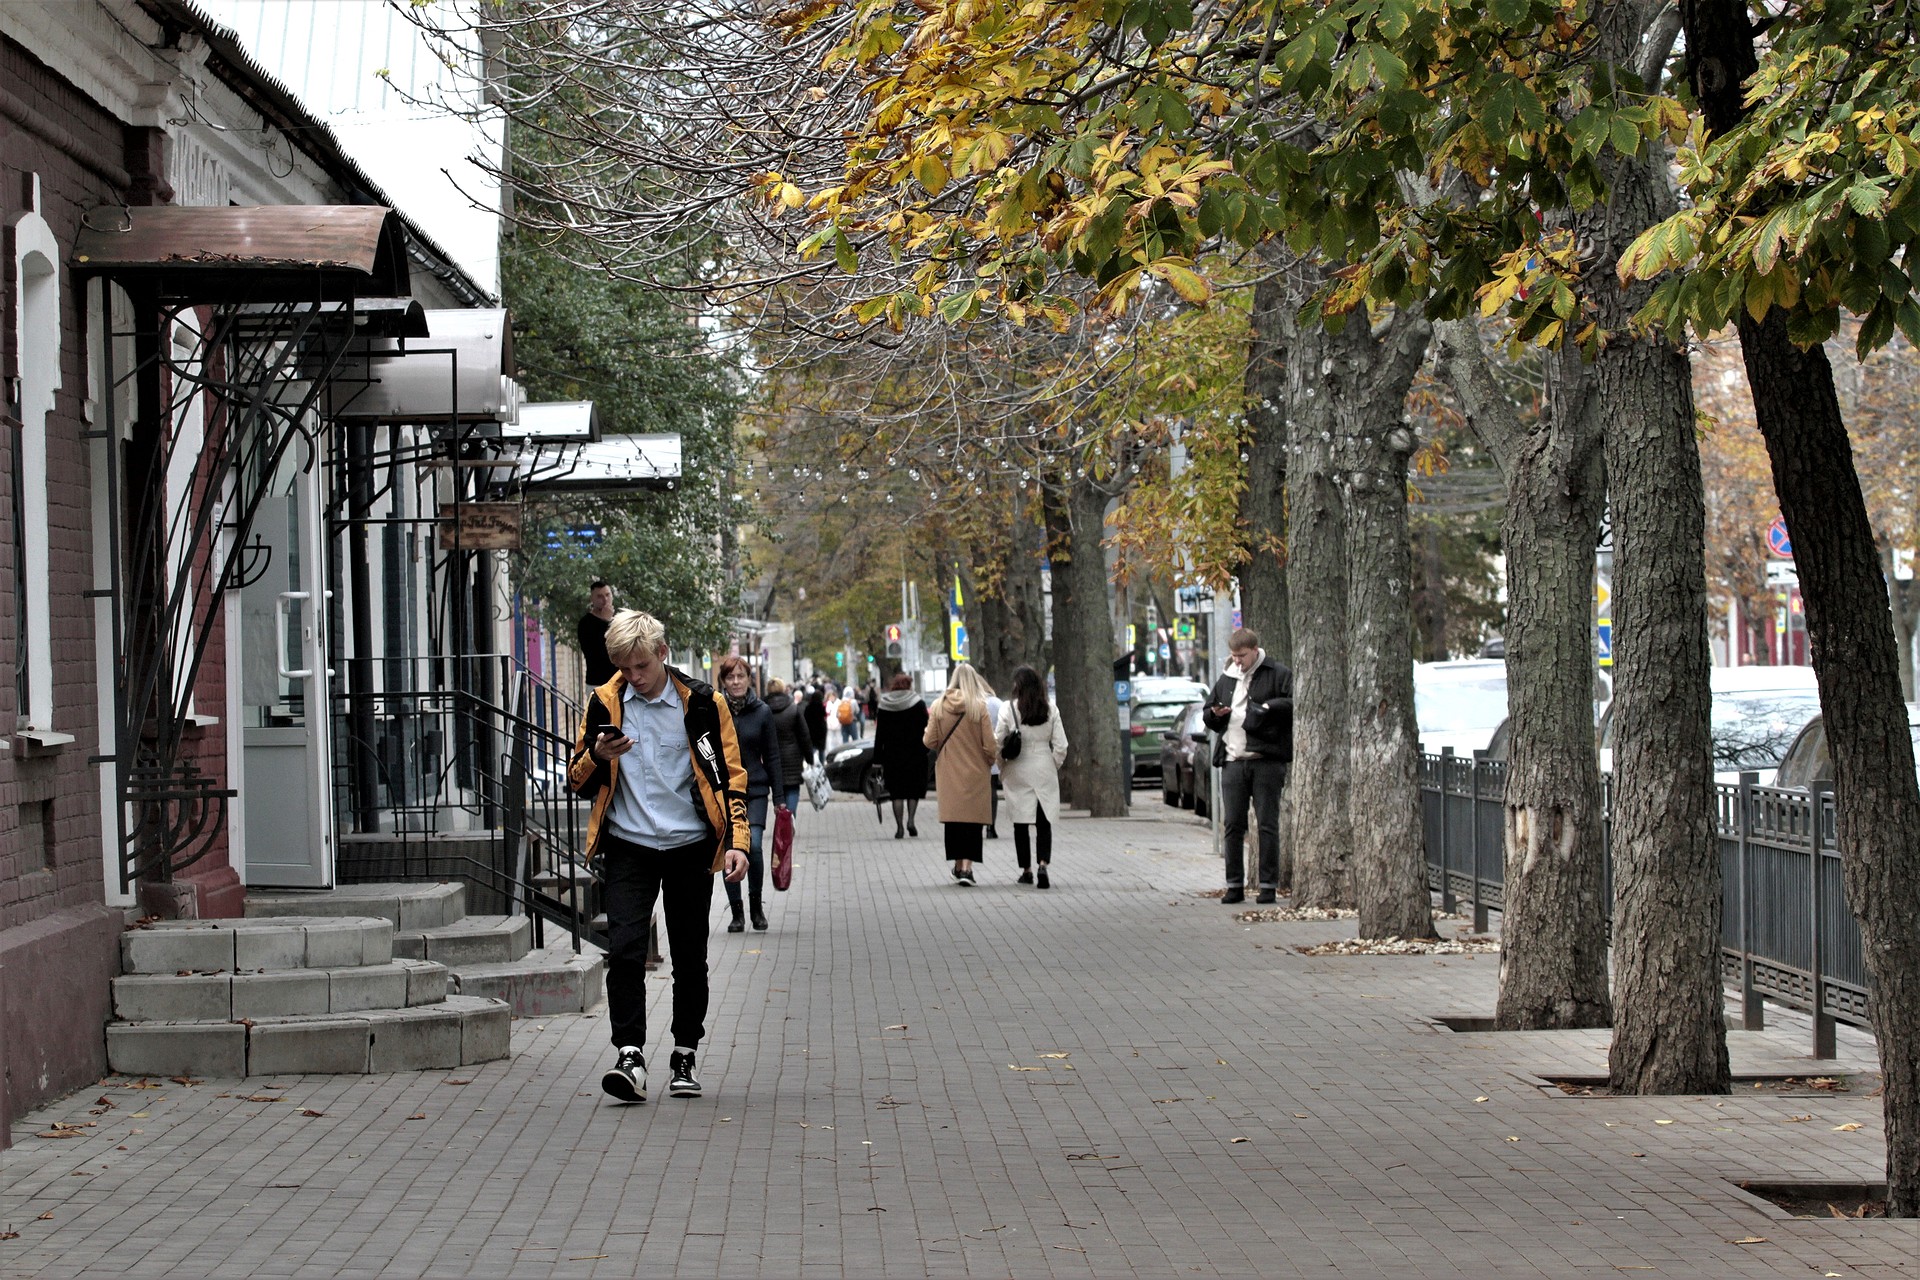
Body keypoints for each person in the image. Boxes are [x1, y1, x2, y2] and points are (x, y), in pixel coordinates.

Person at [567, 610, 749, 1103]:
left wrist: (737, 842)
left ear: (662, 654)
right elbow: (575, 778)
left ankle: (685, 1053)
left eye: (641, 665)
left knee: (691, 957)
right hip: (629, 846)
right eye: (624, 668)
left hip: (690, 847)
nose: (633, 676)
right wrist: (597, 757)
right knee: (624, 948)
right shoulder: (605, 702)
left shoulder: (704, 705)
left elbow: (730, 777)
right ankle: (630, 1054)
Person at [1201, 627, 1293, 905]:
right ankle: (1234, 885)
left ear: (1255, 651)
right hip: (1232, 760)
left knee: (1266, 824)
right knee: (1232, 825)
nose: (1237, 661)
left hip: (1265, 760)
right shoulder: (1227, 678)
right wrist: (1215, 714)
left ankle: (1267, 886)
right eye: (1234, 656)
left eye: (1241, 656)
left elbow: (1292, 703)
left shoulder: (1277, 673)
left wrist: (1267, 708)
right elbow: (1209, 712)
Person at [718, 656, 782, 934]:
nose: (736, 682)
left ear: (749, 679)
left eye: (740, 677)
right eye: (730, 678)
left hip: (755, 789)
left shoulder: (762, 711)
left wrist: (779, 797)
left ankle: (756, 906)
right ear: (723, 681)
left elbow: (772, 755)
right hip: (725, 791)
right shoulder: (715, 710)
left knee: (753, 846)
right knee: (728, 850)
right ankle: (737, 913)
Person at [924, 663, 999, 885]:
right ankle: (967, 867)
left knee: (955, 821)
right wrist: (989, 761)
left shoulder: (939, 706)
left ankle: (958, 866)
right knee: (972, 822)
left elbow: (929, 740)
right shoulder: (979, 707)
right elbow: (990, 745)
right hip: (975, 772)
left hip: (949, 773)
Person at [995, 665, 1069, 889]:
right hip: (1044, 766)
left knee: (1020, 822)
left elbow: (998, 741)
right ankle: (1043, 864)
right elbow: (1061, 745)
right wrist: (1053, 763)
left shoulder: (1008, 709)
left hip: (1018, 768)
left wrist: (1002, 767)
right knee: (1043, 820)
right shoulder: (1050, 709)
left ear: (1017, 685)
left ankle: (1026, 870)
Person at [873, 673, 930, 837]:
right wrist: (926, 748)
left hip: (892, 755)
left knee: (896, 792)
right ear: (909, 685)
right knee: (913, 790)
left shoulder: (885, 705)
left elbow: (880, 734)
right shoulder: (918, 703)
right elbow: (926, 727)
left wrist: (878, 759)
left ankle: (899, 827)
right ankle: (911, 820)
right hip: (915, 753)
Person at [764, 677, 811, 814]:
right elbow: (804, 735)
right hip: (793, 758)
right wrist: (809, 758)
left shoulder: (763, 709)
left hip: (772, 758)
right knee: (792, 788)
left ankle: (782, 817)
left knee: (778, 791)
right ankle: (790, 817)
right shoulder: (793, 709)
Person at [577, 579, 617, 687]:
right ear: (592, 599)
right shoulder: (585, 623)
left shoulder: (618, 621)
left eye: (608, 595)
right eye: (599, 596)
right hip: (598, 683)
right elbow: (596, 652)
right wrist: (605, 622)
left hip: (619, 682)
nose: (605, 600)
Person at [803, 683, 829, 761]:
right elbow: (824, 715)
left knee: (813, 748)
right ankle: (822, 763)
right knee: (821, 749)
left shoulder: (808, 707)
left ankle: (812, 762)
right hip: (821, 730)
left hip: (811, 730)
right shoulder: (821, 706)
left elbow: (805, 717)